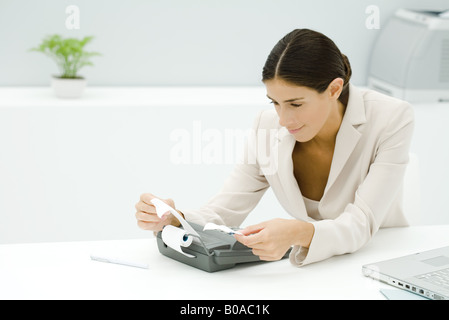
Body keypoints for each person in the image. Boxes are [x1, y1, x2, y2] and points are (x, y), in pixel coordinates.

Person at [135, 29, 414, 267]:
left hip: (379, 258)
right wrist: (176, 218)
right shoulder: (267, 126)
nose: (283, 120)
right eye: (274, 102)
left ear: (333, 89)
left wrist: (298, 232)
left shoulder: (391, 118)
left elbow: (361, 222)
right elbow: (224, 210)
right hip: (313, 271)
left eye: (295, 104)